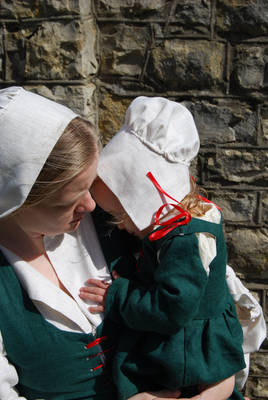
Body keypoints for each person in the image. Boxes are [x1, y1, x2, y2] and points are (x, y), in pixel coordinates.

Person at [0, 86, 216, 400]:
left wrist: (217, 386)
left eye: (91, 185)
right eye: (71, 200)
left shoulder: (109, 218)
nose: (91, 205)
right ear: (17, 200)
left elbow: (207, 284)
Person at [79, 96, 266, 400]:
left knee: (140, 380)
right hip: (205, 339)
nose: (121, 227)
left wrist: (118, 297)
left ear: (143, 197)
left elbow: (172, 307)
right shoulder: (190, 217)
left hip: (192, 345)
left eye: (122, 216)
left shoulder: (183, 240)